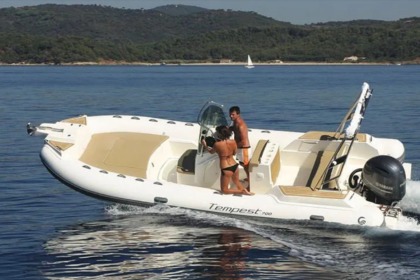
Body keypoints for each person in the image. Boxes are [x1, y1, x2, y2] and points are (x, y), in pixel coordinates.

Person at [201, 125, 253, 195]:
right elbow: (234, 153)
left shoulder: (217, 144)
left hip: (226, 168)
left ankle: (242, 192)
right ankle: (243, 191)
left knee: (224, 190)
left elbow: (211, 152)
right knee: (236, 181)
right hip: (235, 165)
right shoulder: (233, 142)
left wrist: (205, 145)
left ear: (219, 134)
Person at [229, 106, 251, 189]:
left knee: (246, 166)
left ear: (238, 114)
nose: (231, 116)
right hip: (240, 148)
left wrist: (234, 147)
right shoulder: (235, 122)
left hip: (244, 148)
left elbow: (243, 140)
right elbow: (234, 129)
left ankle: (250, 184)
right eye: (230, 114)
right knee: (242, 164)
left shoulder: (241, 125)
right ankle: (249, 178)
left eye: (233, 114)